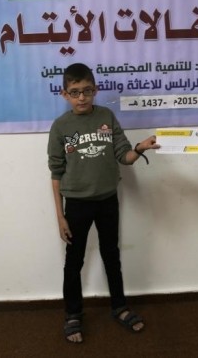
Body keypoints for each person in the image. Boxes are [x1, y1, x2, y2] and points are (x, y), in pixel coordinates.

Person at [48, 62, 159, 344]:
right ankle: (73, 314)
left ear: (95, 90)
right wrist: (60, 216)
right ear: (64, 94)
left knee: (112, 255)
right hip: (76, 204)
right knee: (74, 261)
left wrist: (139, 148)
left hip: (108, 200)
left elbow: (124, 156)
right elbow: (56, 172)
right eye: (75, 92)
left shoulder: (106, 116)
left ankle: (119, 307)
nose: (82, 97)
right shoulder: (60, 126)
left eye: (87, 91)